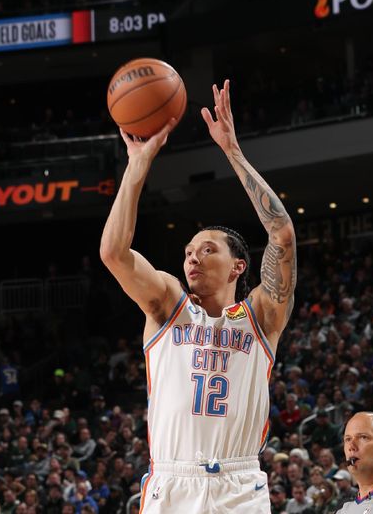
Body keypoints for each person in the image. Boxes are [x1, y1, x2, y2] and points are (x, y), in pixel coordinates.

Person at [100, 80, 297, 513]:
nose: (193, 258)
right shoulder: (169, 303)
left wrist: (232, 151)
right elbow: (113, 253)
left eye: (208, 250)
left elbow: (281, 234)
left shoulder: (262, 317)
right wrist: (137, 167)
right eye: (189, 251)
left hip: (239, 482)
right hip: (172, 480)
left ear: (238, 266)